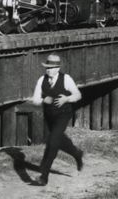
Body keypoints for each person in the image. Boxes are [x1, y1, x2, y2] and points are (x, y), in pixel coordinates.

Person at [30, 53, 84, 186]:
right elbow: (35, 99)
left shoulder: (66, 79)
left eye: (50, 67)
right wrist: (43, 99)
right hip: (49, 116)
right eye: (46, 67)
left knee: (53, 141)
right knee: (59, 140)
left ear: (57, 68)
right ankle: (77, 153)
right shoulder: (41, 79)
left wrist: (66, 98)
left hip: (63, 114)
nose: (47, 69)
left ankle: (44, 176)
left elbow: (78, 95)